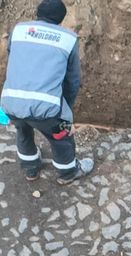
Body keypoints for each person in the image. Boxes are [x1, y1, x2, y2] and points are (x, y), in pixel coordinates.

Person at [0, 0, 93, 185]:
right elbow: (72, 80)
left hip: (11, 103)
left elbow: (13, 59)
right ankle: (68, 173)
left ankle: (31, 170)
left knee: (23, 130)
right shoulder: (68, 39)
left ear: (37, 13)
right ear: (61, 19)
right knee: (61, 139)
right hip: (46, 110)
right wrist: (65, 111)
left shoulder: (19, 30)